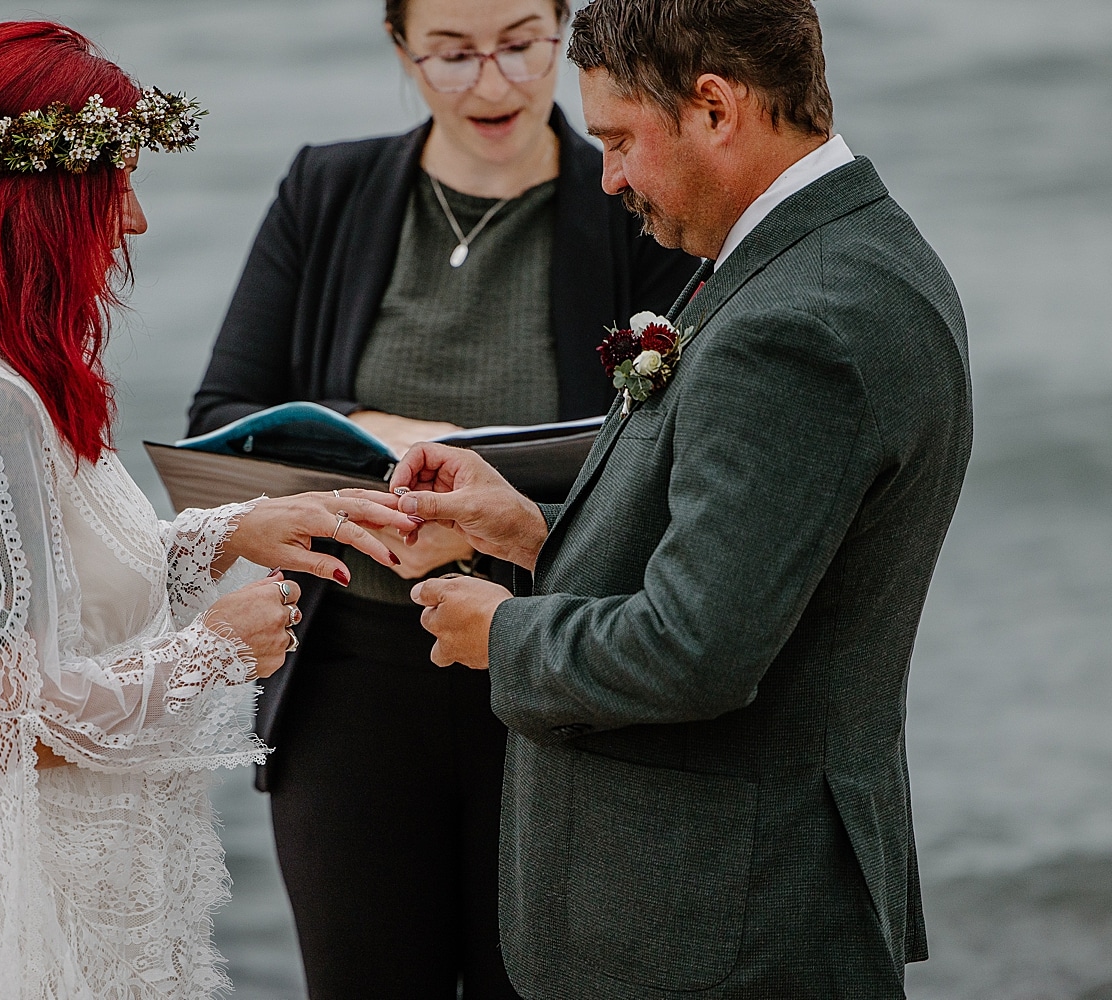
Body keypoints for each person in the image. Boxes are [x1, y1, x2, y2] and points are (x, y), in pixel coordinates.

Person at [380, 0, 973, 996]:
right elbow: (750, 566)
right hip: (743, 904)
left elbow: (696, 649)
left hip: (716, 933)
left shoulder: (798, 323)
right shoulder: (836, 253)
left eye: (618, 139)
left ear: (714, 106)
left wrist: (507, 632)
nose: (606, 174)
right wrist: (532, 532)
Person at [0, 22, 413, 1000]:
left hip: (54, 883)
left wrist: (226, 532)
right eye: (118, 188)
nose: (136, 222)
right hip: (25, 923)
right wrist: (217, 649)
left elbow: (49, 592)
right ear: (40, 208)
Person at [187, 0, 699, 995]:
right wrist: (393, 469)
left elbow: (673, 448)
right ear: (400, 50)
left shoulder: (634, 195)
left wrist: (482, 516)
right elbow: (226, 415)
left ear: (563, 28)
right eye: (453, 55)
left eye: (520, 44)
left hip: (550, 670)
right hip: (350, 681)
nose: (494, 82)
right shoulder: (324, 189)